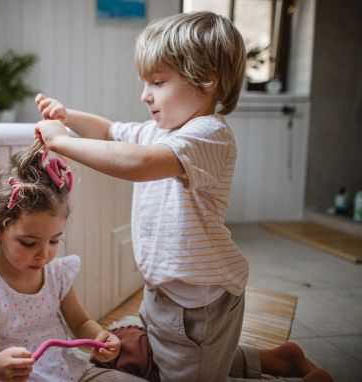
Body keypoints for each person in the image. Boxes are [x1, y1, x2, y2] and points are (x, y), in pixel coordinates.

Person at [34, 11, 332, 382]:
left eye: (157, 82)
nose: (145, 95)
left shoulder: (209, 134)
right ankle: (278, 361)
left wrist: (62, 141)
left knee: (194, 367)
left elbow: (139, 164)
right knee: (178, 359)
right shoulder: (159, 131)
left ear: (207, 80)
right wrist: (69, 116)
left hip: (199, 305)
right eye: (145, 83)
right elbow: (110, 132)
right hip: (164, 292)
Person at [0, 141, 147, 382]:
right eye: (29, 243)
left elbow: (80, 323)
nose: (43, 255)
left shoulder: (57, 274)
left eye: (54, 241)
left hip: (66, 371)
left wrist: (100, 337)